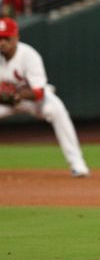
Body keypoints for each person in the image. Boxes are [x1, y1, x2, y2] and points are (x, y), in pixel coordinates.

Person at [0, 18, 90, 177]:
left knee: (56, 110)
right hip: (5, 103)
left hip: (32, 101)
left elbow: (38, 92)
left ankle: (77, 164)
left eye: (6, 38)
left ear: (16, 37)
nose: (2, 42)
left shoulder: (29, 55)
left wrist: (16, 95)